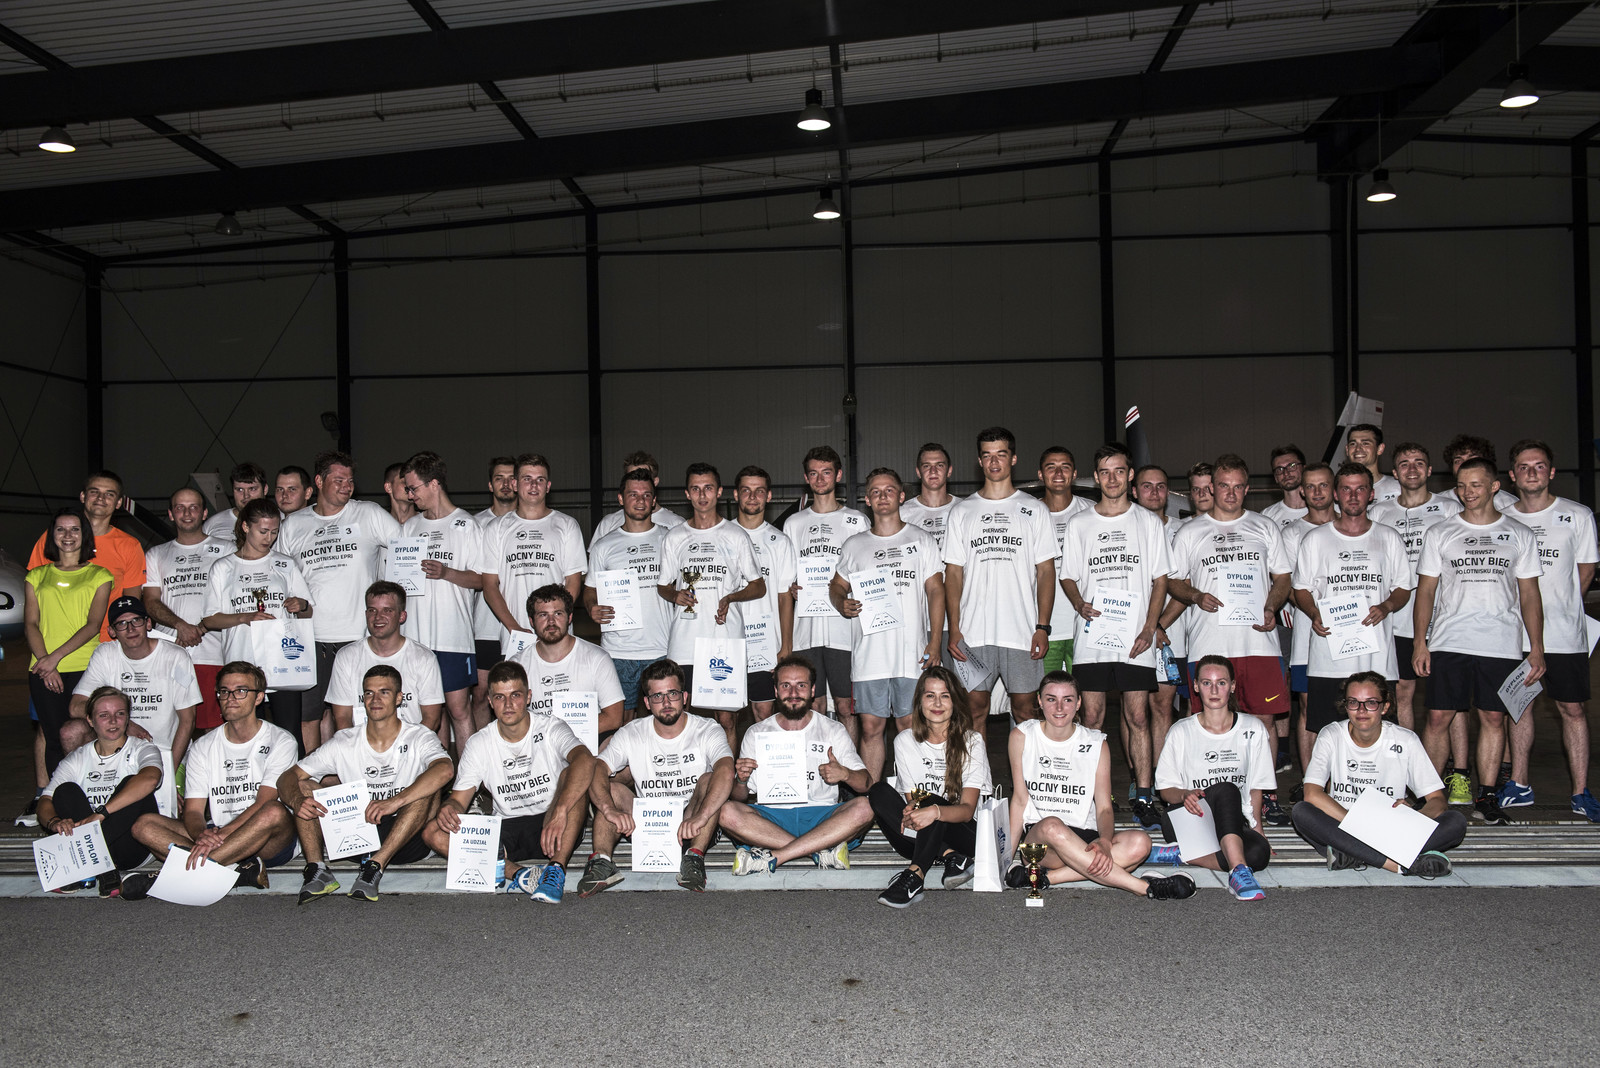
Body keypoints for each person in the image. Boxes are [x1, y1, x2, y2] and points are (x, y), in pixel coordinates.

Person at [1411, 456, 1544, 825]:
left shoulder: (1519, 534)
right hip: (1449, 639)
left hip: (1500, 642)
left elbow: (1530, 595)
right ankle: (1431, 797)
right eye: (1461, 485)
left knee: (1493, 717)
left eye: (1475, 485)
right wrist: (1421, 642)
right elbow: (1426, 591)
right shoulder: (1441, 532)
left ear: (1494, 487)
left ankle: (1486, 796)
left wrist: (1536, 647)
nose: (1467, 492)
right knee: (1438, 717)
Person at [1005, 671, 1196, 901]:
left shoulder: (1095, 743)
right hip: (1042, 842)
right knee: (1052, 826)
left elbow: (1104, 807)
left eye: (1067, 699)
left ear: (1078, 703)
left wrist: (1104, 841)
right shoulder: (1023, 736)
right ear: (1039, 700)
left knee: (1140, 843)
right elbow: (1019, 800)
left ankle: (1044, 878)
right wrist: (1005, 861)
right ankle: (1144, 887)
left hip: (1086, 839)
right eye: (1051, 699)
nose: (1059, 707)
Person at [420, 661, 595, 904]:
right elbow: (459, 800)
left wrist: (561, 811)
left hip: (555, 822)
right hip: (508, 827)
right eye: (500, 697)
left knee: (572, 774)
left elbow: (585, 759)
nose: (509, 704)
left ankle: (556, 870)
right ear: (490, 702)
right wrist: (450, 807)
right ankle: (521, 874)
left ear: (529, 696)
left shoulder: (550, 727)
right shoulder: (479, 742)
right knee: (433, 831)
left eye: (515, 695)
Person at [1058, 444, 1169, 827]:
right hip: (1093, 637)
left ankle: (1144, 795)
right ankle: (1091, 796)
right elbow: (1068, 576)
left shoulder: (1148, 522)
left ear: (1130, 475)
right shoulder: (1080, 524)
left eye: (1119, 471)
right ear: (1096, 477)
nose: (1112, 478)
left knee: (1138, 715)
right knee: (1092, 717)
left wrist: (1150, 627)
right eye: (1105, 472)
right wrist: (1079, 604)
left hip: (1135, 638)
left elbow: (1160, 580)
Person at [124, 662, 299, 899]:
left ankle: (176, 876)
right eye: (224, 691)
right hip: (217, 831)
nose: (230, 698)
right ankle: (236, 870)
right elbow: (193, 811)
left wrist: (220, 836)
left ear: (258, 698)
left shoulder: (281, 740)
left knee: (274, 812)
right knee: (143, 825)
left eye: (240, 691)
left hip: (265, 839)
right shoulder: (203, 746)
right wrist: (201, 835)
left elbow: (263, 803)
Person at [279, 665, 453, 903]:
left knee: (426, 787)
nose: (375, 699)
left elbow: (445, 769)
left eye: (384, 692)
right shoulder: (345, 741)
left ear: (399, 698)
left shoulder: (418, 736)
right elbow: (287, 777)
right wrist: (297, 800)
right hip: (358, 834)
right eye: (369, 693)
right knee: (302, 785)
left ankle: (375, 867)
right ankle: (317, 869)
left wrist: (394, 802)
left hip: (406, 835)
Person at [278, 450, 401, 752]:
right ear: (319, 481)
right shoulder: (294, 524)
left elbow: (407, 547)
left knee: (355, 713)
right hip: (309, 637)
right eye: (339, 480)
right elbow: (278, 573)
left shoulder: (368, 513)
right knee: (309, 716)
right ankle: (317, 774)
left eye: (350, 480)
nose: (347, 486)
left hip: (358, 635)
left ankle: (361, 770)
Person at [580, 659, 736, 895]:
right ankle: (602, 862)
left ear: (684, 697)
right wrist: (609, 810)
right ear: (647, 702)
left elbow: (726, 769)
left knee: (709, 779)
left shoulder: (706, 729)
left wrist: (701, 817)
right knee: (610, 789)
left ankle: (694, 858)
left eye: (672, 694)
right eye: (657, 696)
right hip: (646, 825)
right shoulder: (632, 732)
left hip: (693, 822)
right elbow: (598, 768)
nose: (666, 702)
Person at [1291, 464, 1414, 762]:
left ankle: (1379, 785)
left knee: (1379, 734)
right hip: (1329, 657)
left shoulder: (1389, 537)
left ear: (1371, 494)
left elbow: (1403, 588)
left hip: (1377, 658)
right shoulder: (1315, 539)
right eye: (1346, 489)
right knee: (1325, 733)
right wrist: (1314, 613)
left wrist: (1386, 606)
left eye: (1360, 489)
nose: (1353, 495)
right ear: (1336, 494)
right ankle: (1321, 785)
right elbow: (1301, 589)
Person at [1502, 439, 1598, 818]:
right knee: (1519, 707)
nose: (1532, 472)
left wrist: (1560, 607)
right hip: (1514, 635)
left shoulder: (1577, 515)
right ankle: (1520, 784)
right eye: (1524, 467)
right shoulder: (1502, 519)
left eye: (1539, 466)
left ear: (1552, 472)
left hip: (1565, 635)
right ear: (1512, 475)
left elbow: (1585, 571)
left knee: (1572, 709)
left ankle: (1580, 792)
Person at [1292, 672, 1465, 878]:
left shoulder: (1405, 740)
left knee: (1455, 821)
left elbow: (1437, 799)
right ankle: (1397, 864)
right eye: (1353, 702)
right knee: (1302, 812)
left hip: (1392, 827)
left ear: (1385, 707)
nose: (1361, 710)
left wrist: (1415, 818)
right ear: (1345, 706)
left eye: (1371, 703)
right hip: (1344, 822)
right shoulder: (1331, 735)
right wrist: (1358, 825)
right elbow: (1312, 793)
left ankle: (1353, 854)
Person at [1166, 455, 1292, 737]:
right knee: (1207, 725)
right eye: (1224, 485)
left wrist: (1270, 607)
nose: (1231, 493)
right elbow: (1173, 582)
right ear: (1212, 487)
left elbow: (1283, 577)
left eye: (1238, 487)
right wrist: (1196, 596)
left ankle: (1263, 771)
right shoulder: (1189, 532)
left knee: (1263, 723)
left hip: (1259, 643)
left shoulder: (1264, 526)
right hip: (1209, 645)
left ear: (1247, 489)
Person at [831, 468, 943, 781]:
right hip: (870, 656)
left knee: (910, 728)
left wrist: (935, 641)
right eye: (876, 491)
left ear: (901, 496)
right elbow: (836, 585)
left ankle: (915, 794)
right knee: (871, 728)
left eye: (889, 490)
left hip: (911, 654)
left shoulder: (922, 540)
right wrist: (840, 602)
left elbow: (936, 591)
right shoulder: (855, 545)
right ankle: (871, 798)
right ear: (867, 500)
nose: (883, 496)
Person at [1369, 442, 1466, 797]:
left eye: (1419, 463)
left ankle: (1460, 773)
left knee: (1452, 701)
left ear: (1429, 470)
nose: (1412, 469)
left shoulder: (1451, 509)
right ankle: (1409, 771)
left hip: (1445, 621)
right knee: (1403, 693)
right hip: (1396, 620)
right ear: (1394, 473)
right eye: (1405, 463)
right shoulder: (1379, 512)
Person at [720, 655, 875, 873]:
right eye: (786, 686)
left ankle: (777, 855)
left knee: (866, 807)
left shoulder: (833, 730)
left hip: (821, 816)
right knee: (727, 812)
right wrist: (741, 780)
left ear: (812, 690)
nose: (793, 693)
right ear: (776, 691)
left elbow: (867, 783)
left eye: (801, 685)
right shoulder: (757, 732)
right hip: (772, 818)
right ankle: (817, 850)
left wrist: (845, 774)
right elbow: (739, 797)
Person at [944, 427, 1057, 724]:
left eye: (1001, 455)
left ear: (1013, 459)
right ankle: (976, 760)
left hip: (1021, 631)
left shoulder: (1034, 509)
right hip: (973, 632)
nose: (994, 462)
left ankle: (1025, 759)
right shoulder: (962, 511)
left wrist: (1042, 627)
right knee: (973, 711)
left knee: (1026, 711)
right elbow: (953, 574)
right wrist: (954, 627)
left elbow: (1046, 571)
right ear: (979, 461)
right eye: (987, 455)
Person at [1153, 655, 1276, 901]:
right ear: (1196, 686)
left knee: (1259, 854)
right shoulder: (1181, 731)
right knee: (1227, 789)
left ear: (1232, 686)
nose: (1214, 690)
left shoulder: (1253, 729)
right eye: (1206, 683)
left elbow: (1255, 787)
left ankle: (1182, 855)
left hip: (1232, 822)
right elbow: (1165, 789)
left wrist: (1258, 831)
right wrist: (1184, 794)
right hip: (1189, 819)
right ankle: (1238, 872)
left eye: (1221, 683)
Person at [658, 463, 765, 741]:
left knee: (727, 719)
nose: (702, 495)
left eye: (708, 488)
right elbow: (662, 585)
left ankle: (726, 769)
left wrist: (731, 597)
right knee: (679, 713)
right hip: (684, 641)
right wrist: (675, 595)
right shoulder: (675, 537)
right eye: (695, 489)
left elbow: (759, 586)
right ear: (687, 494)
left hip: (723, 638)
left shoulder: (735, 535)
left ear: (719, 492)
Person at [869, 666, 992, 907]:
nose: (937, 703)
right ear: (919, 701)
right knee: (878, 792)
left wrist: (934, 811)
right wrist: (920, 811)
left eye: (945, 695)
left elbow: (967, 811)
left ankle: (915, 875)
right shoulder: (904, 741)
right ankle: (950, 857)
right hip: (919, 838)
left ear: (955, 702)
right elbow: (912, 806)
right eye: (930, 695)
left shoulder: (972, 741)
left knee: (929, 800)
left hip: (964, 836)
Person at [68, 597, 198, 815]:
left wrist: (166, 776)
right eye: (122, 623)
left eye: (136, 620)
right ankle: (81, 806)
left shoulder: (175, 656)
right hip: (118, 751)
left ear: (148, 623)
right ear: (112, 631)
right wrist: (125, 725)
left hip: (167, 753)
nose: (130, 629)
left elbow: (188, 720)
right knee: (72, 731)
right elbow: (76, 706)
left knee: (171, 817)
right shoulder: (105, 654)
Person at [200, 497, 315, 742]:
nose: (269, 538)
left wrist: (302, 605)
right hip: (241, 661)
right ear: (245, 526)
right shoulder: (223, 567)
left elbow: (308, 613)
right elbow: (210, 620)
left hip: (283, 663)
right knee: (246, 734)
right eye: (263, 531)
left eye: (274, 532)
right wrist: (245, 617)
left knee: (290, 734)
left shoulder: (284, 563)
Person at [35, 687, 163, 897]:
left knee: (133, 783)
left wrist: (102, 813)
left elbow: (150, 779)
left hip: (131, 847)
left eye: (119, 713)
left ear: (127, 718)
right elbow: (45, 800)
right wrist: (55, 822)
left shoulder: (142, 748)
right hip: (90, 845)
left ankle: (87, 867)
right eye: (104, 715)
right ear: (90, 720)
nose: (113, 721)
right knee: (65, 791)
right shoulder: (78, 757)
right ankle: (104, 869)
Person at [399, 451, 486, 756]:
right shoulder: (410, 527)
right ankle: (435, 776)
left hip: (453, 637)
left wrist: (447, 573)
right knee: (427, 713)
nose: (410, 496)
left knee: (459, 710)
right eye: (407, 489)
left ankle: (469, 779)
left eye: (413, 488)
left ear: (434, 484)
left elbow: (482, 580)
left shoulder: (467, 525)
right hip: (415, 636)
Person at [783, 446, 868, 742]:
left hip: (844, 628)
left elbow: (865, 570)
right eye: (814, 473)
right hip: (806, 629)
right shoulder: (794, 523)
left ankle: (849, 768)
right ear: (806, 478)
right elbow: (787, 574)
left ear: (838, 475)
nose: (820, 479)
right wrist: (793, 586)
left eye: (827, 472)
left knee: (846, 707)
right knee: (814, 706)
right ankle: (814, 766)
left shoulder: (857, 521)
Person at [25, 508, 114, 777]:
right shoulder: (36, 576)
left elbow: (92, 625)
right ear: (52, 535)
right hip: (43, 670)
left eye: (74, 529)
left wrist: (54, 659)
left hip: (85, 667)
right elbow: (31, 624)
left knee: (88, 735)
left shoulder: (100, 575)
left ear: (84, 535)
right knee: (54, 738)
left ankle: (92, 790)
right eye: (60, 529)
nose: (68, 535)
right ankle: (59, 797)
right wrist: (47, 665)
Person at [143, 487, 234, 731]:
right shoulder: (156, 554)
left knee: (213, 730)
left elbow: (234, 600)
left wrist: (201, 628)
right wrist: (180, 626)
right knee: (168, 730)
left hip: (213, 654)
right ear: (170, 514)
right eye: (180, 507)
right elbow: (150, 601)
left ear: (204, 513)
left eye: (193, 507)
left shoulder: (228, 549)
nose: (187, 513)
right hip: (170, 654)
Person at [585, 469, 675, 717]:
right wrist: (592, 607)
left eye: (646, 495)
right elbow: (590, 589)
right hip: (618, 650)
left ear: (654, 500)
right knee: (620, 722)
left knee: (664, 718)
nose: (640, 500)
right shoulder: (604, 546)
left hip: (662, 647)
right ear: (620, 499)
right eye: (633, 494)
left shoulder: (670, 540)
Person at [480, 453, 586, 660]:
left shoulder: (567, 525)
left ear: (548, 486)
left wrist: (552, 620)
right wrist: (514, 628)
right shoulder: (496, 528)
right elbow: (489, 586)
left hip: (556, 634)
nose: (534, 485)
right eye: (527, 479)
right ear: (515, 484)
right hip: (514, 636)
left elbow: (573, 582)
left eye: (540, 480)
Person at [27, 471, 147, 642]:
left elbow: (131, 602)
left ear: (119, 502)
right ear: (83, 496)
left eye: (109, 494)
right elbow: (34, 593)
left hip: (106, 642)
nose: (100, 498)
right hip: (55, 640)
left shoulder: (129, 545)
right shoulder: (54, 538)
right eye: (94, 492)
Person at [1276, 463, 1337, 778]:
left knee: (1351, 703)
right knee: (1308, 706)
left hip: (1351, 634)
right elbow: (1286, 585)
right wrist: (1315, 611)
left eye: (1323, 485)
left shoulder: (1353, 527)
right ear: (1302, 491)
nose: (1317, 492)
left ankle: (1342, 777)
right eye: (1310, 486)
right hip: (1307, 635)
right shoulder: (1291, 533)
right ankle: (1310, 780)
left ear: (1334, 488)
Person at [325, 582, 445, 730]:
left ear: (402, 616)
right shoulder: (346, 657)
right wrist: (357, 744)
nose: (378, 617)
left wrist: (409, 743)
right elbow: (342, 718)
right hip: (361, 741)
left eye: (387, 610)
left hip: (411, 741)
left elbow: (432, 718)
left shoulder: (424, 658)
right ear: (366, 614)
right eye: (372, 610)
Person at [510, 584, 625, 733]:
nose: (551, 621)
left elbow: (614, 718)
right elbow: (510, 719)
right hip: (538, 743)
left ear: (569, 617)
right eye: (543, 615)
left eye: (558, 614)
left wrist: (562, 738)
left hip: (586, 741)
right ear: (532, 621)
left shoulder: (597, 658)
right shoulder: (517, 665)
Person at [732, 466, 798, 720]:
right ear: (736, 495)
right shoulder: (721, 535)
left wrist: (786, 646)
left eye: (759, 491)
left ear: (768, 496)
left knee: (764, 712)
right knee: (726, 717)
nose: (752, 497)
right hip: (727, 639)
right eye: (746, 490)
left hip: (765, 642)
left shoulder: (779, 541)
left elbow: (784, 597)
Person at [1134, 464, 1183, 762]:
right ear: (1134, 491)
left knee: (1163, 707)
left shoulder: (1182, 530)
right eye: (1147, 486)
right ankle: (1138, 777)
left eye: (1161, 486)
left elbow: (1183, 587)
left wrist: (1157, 626)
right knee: (1134, 709)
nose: (1154, 492)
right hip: (1131, 631)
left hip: (1169, 632)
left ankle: (1161, 775)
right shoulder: (1125, 526)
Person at [470, 456, 518, 731]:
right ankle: (481, 749)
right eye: (499, 478)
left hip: (520, 625)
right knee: (481, 695)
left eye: (512, 478)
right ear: (490, 485)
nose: (506, 484)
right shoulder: (475, 524)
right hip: (484, 626)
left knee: (519, 693)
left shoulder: (530, 521)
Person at [1040, 445, 1091, 676]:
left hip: (1085, 625)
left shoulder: (1092, 512)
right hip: (1042, 630)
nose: (1058, 473)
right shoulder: (1028, 514)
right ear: (1040, 474)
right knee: (1042, 694)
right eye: (1051, 467)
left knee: (1086, 694)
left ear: (1075, 473)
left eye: (1065, 467)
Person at [589, 451, 686, 546]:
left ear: (655, 481)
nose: (638, 481)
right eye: (632, 476)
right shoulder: (609, 523)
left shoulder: (676, 524)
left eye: (645, 476)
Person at [899, 443, 961, 550]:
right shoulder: (902, 514)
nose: (933, 471)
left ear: (949, 471)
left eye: (939, 465)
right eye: (926, 466)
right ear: (918, 472)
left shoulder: (963, 509)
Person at [1443, 435, 1519, 511]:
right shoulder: (1440, 503)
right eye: (1458, 461)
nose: (1465, 464)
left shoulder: (1509, 504)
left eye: (1472, 459)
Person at [202, 462, 271, 539]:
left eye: (252, 489)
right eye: (240, 489)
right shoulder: (213, 524)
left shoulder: (279, 522)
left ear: (265, 489)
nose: (246, 495)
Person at [1344, 423, 1401, 503]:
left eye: (1365, 443)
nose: (1358, 448)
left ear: (1380, 449)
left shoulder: (1398, 488)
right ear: (1347, 450)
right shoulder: (1337, 490)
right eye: (1353, 444)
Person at [1261, 445, 1309, 526]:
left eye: (1292, 466)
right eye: (1279, 469)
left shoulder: (1325, 511)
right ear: (1275, 477)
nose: (1286, 473)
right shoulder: (1267, 516)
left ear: (1304, 469)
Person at [382, 461, 416, 525]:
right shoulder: (380, 524)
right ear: (388, 487)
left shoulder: (428, 522)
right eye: (405, 482)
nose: (411, 486)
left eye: (414, 483)